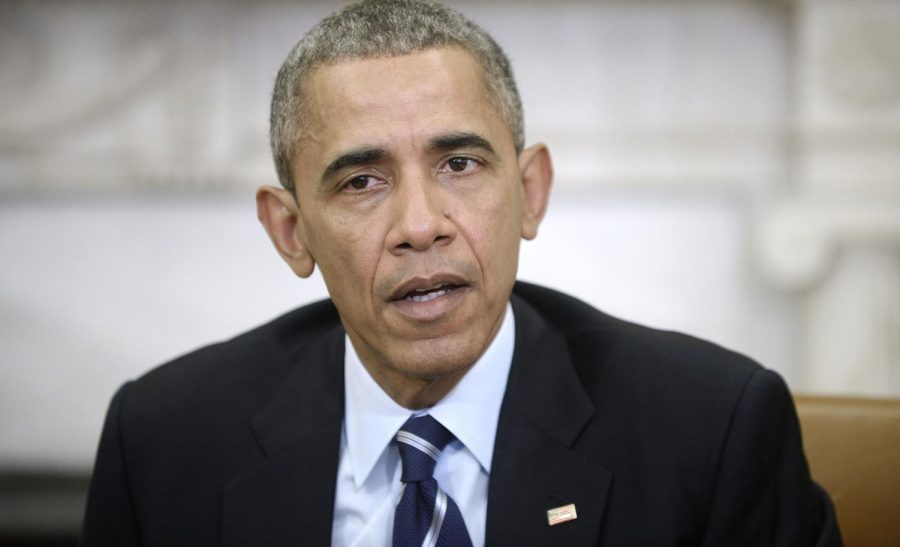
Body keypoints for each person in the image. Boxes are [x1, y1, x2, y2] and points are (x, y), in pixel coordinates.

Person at [80, 1, 842, 545]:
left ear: (530, 191)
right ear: (290, 231)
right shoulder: (163, 441)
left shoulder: (710, 430)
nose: (420, 224)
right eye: (360, 182)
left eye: (461, 163)